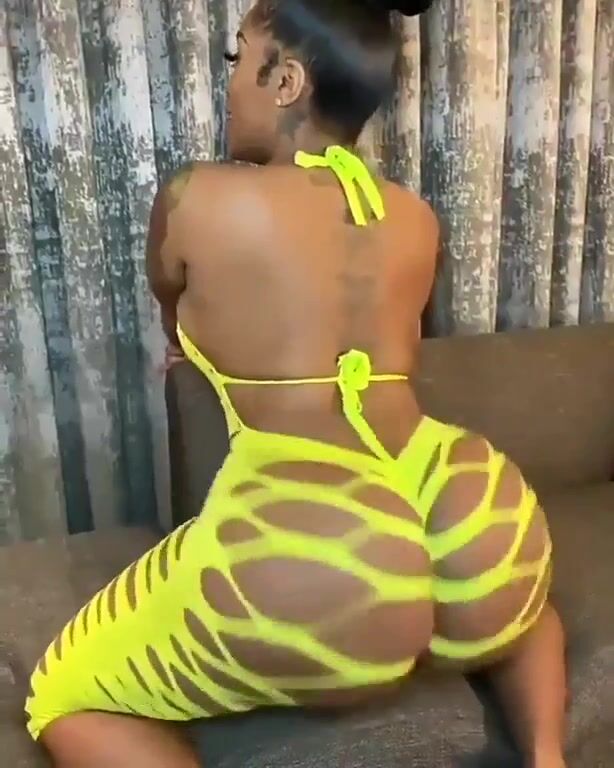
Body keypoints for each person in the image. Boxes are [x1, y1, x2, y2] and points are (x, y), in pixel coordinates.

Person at [25, 1, 567, 766]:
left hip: (324, 539)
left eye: (237, 59)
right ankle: (549, 756)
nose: (227, 84)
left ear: (285, 82)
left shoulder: (196, 200)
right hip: (464, 500)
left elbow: (179, 319)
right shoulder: (415, 217)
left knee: (59, 695)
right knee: (526, 603)